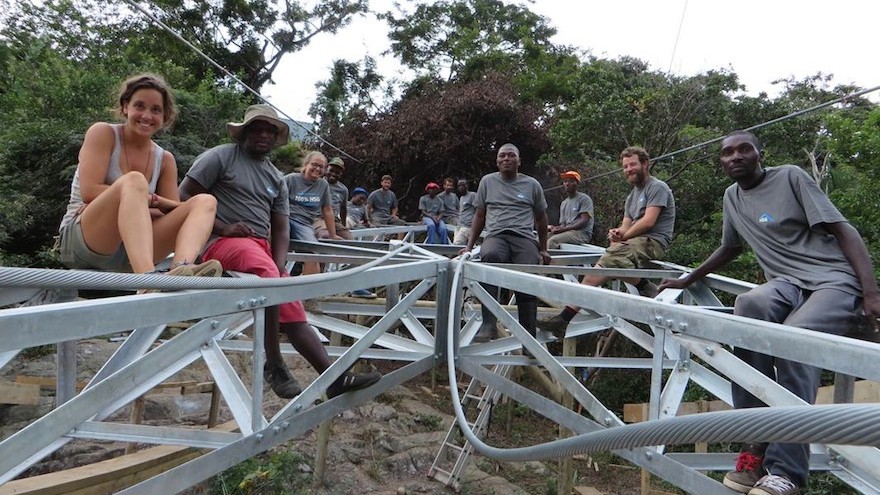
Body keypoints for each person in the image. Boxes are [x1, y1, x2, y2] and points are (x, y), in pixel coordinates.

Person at [658, 130, 880, 495]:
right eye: (727, 153)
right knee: (747, 308)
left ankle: (787, 473)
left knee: (793, 339)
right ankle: (755, 443)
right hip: (788, 283)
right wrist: (687, 279)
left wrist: (870, 293)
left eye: (744, 149)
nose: (735, 156)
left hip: (832, 280)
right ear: (722, 161)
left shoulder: (791, 176)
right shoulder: (732, 197)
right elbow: (729, 248)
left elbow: (844, 230)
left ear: (761, 154)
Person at [179, 104, 380, 400]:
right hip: (220, 243)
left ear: (275, 138)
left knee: (287, 296)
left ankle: (333, 378)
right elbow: (184, 195)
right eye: (256, 129)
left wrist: (279, 263)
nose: (262, 135)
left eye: (269, 131)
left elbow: (281, 227)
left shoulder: (275, 177)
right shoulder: (220, 157)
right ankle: (274, 364)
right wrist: (223, 227)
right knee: (270, 276)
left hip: (260, 246)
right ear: (244, 132)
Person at [57, 73, 221, 279]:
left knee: (206, 201)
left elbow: (170, 213)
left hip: (134, 249)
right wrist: (144, 199)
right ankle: (146, 281)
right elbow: (90, 192)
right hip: (86, 241)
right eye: (139, 106)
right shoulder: (103, 133)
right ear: (125, 106)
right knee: (134, 181)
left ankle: (181, 268)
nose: (146, 115)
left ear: (164, 117)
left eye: (155, 110)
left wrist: (139, 204)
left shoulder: (165, 160)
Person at [538, 146, 675, 339]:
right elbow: (626, 225)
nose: (628, 169)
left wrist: (624, 237)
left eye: (632, 164)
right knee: (610, 257)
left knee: (607, 261)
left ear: (645, 164)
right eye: (625, 167)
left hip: (654, 241)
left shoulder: (657, 187)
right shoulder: (632, 196)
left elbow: (648, 221)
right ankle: (644, 285)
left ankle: (564, 318)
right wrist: (617, 233)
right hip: (635, 241)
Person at [460, 143, 550, 343]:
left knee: (527, 270)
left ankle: (528, 335)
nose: (506, 159)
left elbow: (541, 218)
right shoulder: (487, 182)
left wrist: (543, 248)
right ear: (497, 161)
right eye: (502, 156)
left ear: (519, 161)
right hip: (496, 235)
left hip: (524, 237)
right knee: (489, 256)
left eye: (511, 156)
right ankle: (488, 324)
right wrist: (468, 246)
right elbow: (479, 215)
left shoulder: (531, 185)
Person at [285, 151, 342, 276]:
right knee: (278, 244)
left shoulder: (323, 185)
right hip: (286, 217)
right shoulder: (290, 179)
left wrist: (333, 235)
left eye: (321, 167)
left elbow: (327, 210)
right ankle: (271, 283)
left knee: (313, 252)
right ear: (306, 164)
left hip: (305, 223)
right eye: (314, 165)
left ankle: (306, 291)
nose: (317, 169)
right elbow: (273, 199)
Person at [547, 170, 594, 249]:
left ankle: (549, 261)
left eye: (571, 181)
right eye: (565, 181)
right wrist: (555, 228)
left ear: (577, 183)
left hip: (581, 233)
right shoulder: (564, 203)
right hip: (567, 232)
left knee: (553, 241)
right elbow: (563, 224)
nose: (567, 184)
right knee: (541, 238)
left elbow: (584, 221)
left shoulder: (584, 198)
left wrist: (563, 229)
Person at [315, 157, 353, 240]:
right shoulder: (317, 183)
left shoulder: (343, 190)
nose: (333, 174)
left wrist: (343, 225)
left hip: (334, 220)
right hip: (318, 217)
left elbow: (343, 209)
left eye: (337, 172)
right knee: (325, 236)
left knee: (350, 240)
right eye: (331, 170)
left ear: (341, 174)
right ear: (326, 169)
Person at [453, 178, 478, 245]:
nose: (461, 187)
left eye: (463, 185)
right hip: (460, 224)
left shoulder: (473, 195)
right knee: (455, 244)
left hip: (467, 225)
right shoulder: (461, 198)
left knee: (457, 243)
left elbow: (478, 210)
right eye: (459, 186)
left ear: (467, 185)